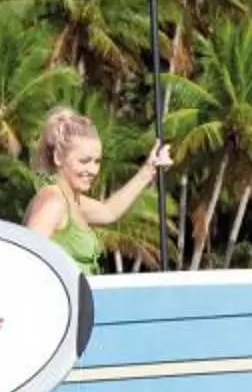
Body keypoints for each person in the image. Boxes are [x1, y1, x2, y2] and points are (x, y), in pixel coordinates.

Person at [24, 106, 171, 271]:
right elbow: (27, 261)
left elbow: (108, 212)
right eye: (84, 161)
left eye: (97, 162)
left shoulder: (73, 201)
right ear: (58, 157)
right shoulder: (52, 202)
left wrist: (149, 169)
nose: (92, 170)